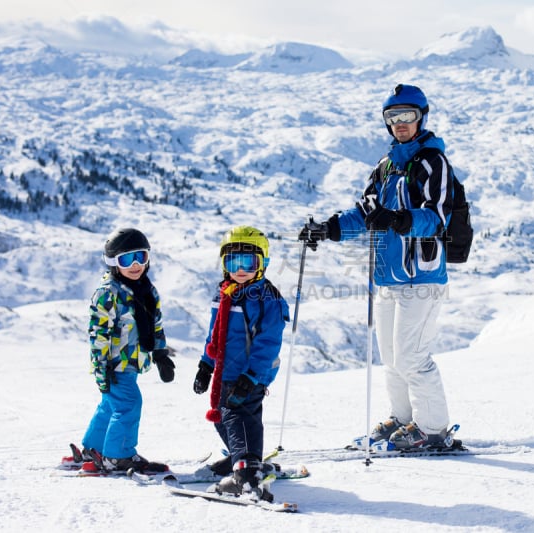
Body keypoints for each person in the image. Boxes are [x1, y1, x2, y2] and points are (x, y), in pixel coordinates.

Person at [298, 83, 453, 450]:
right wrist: (329, 228)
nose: (401, 123)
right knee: (392, 358)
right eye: (393, 117)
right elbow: (364, 213)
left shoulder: (433, 162)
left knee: (412, 356)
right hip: (386, 277)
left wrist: (399, 220)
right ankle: (403, 420)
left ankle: (433, 430)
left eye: (408, 116)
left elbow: (437, 217)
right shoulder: (384, 167)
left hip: (421, 277)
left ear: (422, 117)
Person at [193, 226, 289, 501]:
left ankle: (247, 478)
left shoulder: (266, 298)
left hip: (250, 373)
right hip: (227, 371)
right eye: (232, 261)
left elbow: (268, 343)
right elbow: (215, 334)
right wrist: (205, 365)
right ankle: (242, 457)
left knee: (239, 416)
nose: (240, 268)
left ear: (263, 263)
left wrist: (252, 376)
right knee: (224, 417)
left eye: (248, 262)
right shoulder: (225, 292)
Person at [81, 227, 175, 472]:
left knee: (110, 405)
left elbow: (155, 324)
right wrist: (101, 369)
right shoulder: (107, 294)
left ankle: (94, 449)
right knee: (128, 405)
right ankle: (118, 455)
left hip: (132, 363)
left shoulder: (147, 290)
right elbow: (98, 335)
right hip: (114, 365)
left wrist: (161, 354)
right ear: (113, 263)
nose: (135, 265)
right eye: (126, 259)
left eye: (140, 257)